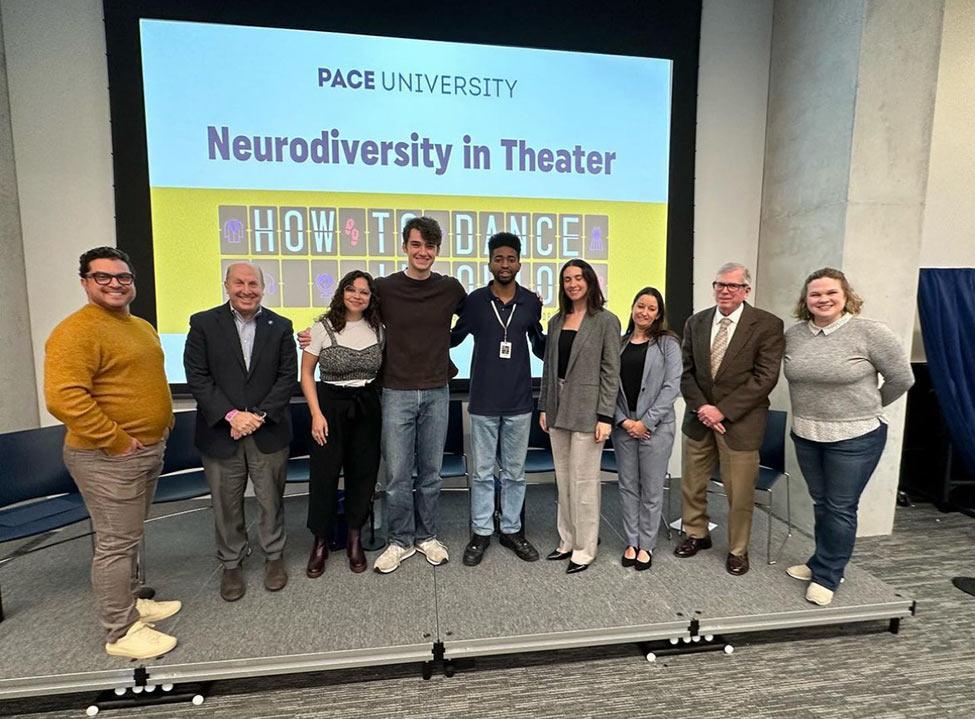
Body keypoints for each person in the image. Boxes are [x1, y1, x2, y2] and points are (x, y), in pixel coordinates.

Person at [45, 246, 180, 659]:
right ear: (86, 282)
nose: (115, 284)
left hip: (145, 450)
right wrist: (116, 440)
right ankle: (120, 630)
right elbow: (63, 399)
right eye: (103, 277)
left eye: (122, 277)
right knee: (115, 543)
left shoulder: (139, 326)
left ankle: (132, 601)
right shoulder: (76, 331)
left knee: (130, 535)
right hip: (107, 457)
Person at [784, 267, 913, 606]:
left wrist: (868, 408)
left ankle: (828, 575)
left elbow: (902, 379)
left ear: (846, 296)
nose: (823, 299)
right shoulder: (794, 335)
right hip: (807, 434)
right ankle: (820, 561)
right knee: (822, 503)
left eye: (831, 293)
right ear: (806, 300)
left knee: (840, 507)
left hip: (855, 437)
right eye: (815, 294)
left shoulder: (870, 332)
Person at [183, 262, 297, 601]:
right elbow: (197, 377)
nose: (246, 290)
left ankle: (273, 556)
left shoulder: (280, 326)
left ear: (263, 288)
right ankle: (232, 561)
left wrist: (257, 415)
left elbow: (286, 377)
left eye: (253, 284)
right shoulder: (203, 324)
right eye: (239, 283)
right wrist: (232, 415)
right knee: (226, 503)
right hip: (221, 432)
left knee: (271, 500)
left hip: (267, 430)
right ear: (227, 285)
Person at [675, 262, 784, 576]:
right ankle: (695, 533)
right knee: (693, 484)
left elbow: (765, 378)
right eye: (719, 284)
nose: (724, 290)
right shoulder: (696, 322)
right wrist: (704, 409)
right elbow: (686, 373)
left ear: (746, 290)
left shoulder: (766, 325)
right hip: (699, 419)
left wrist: (722, 411)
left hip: (740, 423)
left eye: (732, 286)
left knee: (739, 493)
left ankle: (738, 549)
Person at [371, 217, 467, 573]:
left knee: (431, 472)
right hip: (395, 390)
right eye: (416, 245)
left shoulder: (450, 289)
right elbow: (351, 313)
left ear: (437, 251)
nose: (422, 252)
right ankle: (399, 540)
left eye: (429, 246)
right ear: (404, 247)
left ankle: (427, 536)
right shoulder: (384, 288)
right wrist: (317, 334)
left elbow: (478, 316)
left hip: (436, 391)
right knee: (397, 474)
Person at [450, 232, 545, 566]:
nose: (505, 265)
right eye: (498, 258)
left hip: (519, 401)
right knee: (482, 473)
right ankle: (480, 533)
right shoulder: (475, 301)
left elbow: (539, 344)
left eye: (511, 258)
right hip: (483, 401)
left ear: (519, 262)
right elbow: (452, 338)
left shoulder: (531, 302)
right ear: (490, 262)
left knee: (515, 473)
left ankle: (512, 530)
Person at [538, 259, 621, 573]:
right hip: (558, 409)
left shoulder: (606, 321)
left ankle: (586, 549)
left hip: (589, 412)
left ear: (589, 281)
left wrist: (605, 416)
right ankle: (567, 541)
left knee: (584, 482)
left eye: (578, 278)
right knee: (564, 480)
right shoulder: (557, 320)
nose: (572, 284)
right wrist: (544, 406)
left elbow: (611, 372)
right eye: (567, 279)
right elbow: (548, 368)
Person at [299, 270, 383, 577]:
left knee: (363, 475)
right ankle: (320, 542)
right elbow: (306, 373)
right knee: (325, 474)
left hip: (367, 408)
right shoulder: (321, 328)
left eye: (364, 291)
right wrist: (316, 414)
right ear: (342, 293)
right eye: (352, 289)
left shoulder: (379, 328)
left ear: (371, 298)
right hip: (329, 408)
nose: (357, 296)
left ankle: (354, 538)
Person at [613, 287, 682, 571]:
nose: (644, 312)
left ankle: (647, 545)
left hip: (655, 427)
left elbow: (671, 387)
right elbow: (608, 389)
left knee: (652, 489)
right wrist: (624, 421)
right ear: (632, 308)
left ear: (658, 314)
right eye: (640, 305)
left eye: (651, 308)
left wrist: (645, 422)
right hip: (624, 426)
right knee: (628, 487)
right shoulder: (619, 343)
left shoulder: (668, 344)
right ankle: (631, 541)